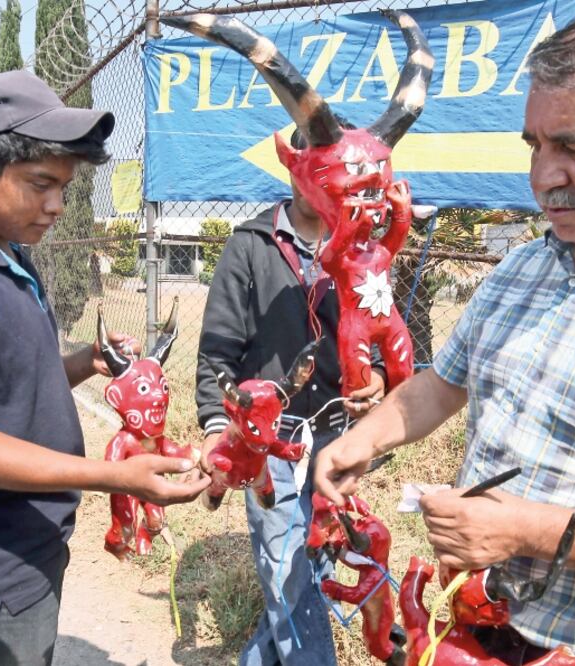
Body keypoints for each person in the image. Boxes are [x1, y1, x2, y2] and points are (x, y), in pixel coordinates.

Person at [315, 1, 575, 664]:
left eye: (574, 146)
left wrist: (537, 532)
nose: (542, 177)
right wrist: (363, 440)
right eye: (534, 145)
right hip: (469, 630)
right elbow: (442, 385)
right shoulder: (528, 266)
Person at [0, 70, 210, 666]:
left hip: (27, 542)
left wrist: (85, 361)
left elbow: (10, 381)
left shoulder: (6, 248)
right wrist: (116, 477)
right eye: (40, 184)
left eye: (64, 188)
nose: (56, 207)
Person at [196, 125, 387, 666]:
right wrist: (218, 428)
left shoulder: (360, 246)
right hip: (269, 445)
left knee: (311, 567)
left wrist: (373, 377)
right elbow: (217, 350)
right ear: (294, 167)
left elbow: (374, 330)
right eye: (320, 167)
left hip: (336, 440)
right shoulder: (250, 246)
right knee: (286, 572)